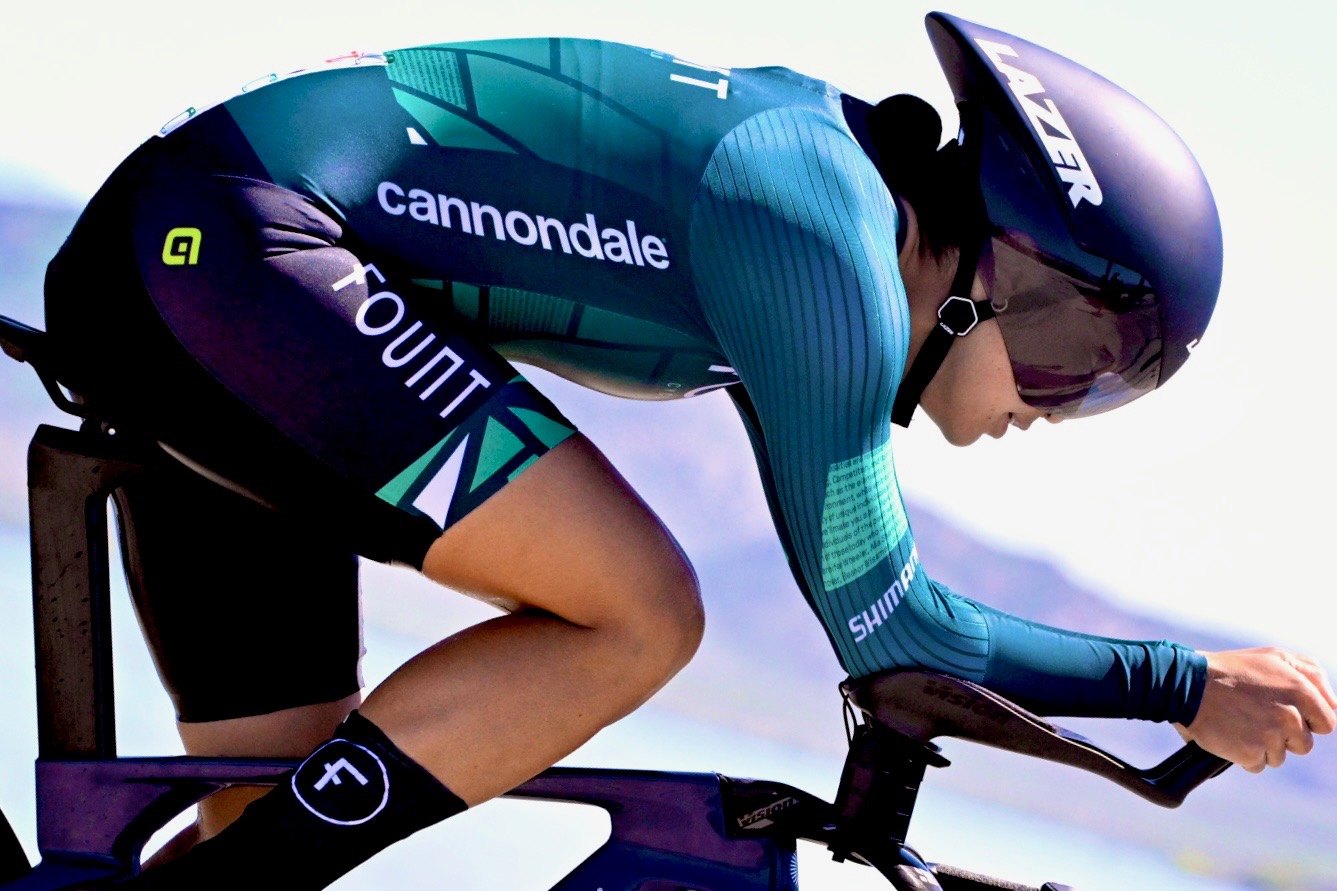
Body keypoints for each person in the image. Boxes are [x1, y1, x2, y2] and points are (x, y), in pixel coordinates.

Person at [40, 11, 1334, 889]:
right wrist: (1180, 685)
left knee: (267, 820)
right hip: (230, 256)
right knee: (643, 614)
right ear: (1007, 270)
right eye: (1078, 358)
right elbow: (896, 635)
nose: (1056, 409)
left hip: (208, 271)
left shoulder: (824, 215)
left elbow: (863, 608)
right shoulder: (824, 248)